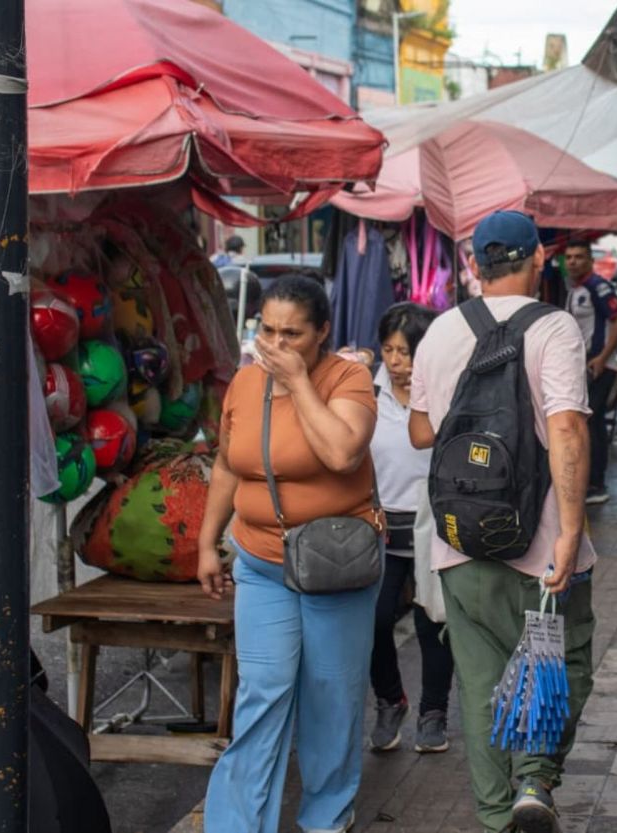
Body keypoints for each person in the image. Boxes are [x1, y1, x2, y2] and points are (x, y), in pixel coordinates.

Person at [408, 211, 596, 833]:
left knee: (482, 682)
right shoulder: (554, 327)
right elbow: (566, 425)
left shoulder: (437, 332)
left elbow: (421, 432)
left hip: (458, 540)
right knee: (556, 662)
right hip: (540, 543)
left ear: (473, 267)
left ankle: (494, 817)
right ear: (537, 258)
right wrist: (570, 531)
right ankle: (534, 782)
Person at [197, 276, 381, 833]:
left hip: (334, 565)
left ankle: (326, 816)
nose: (274, 344)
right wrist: (208, 543)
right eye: (266, 330)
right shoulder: (244, 382)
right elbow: (230, 464)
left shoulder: (348, 378)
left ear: (322, 332)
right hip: (259, 561)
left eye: (292, 334)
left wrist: (299, 383)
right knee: (262, 691)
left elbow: (344, 453)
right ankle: (236, 823)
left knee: (331, 696)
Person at [368, 302, 455, 755]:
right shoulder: (366, 391)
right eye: (389, 349)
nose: (396, 361)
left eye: (406, 351)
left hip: (433, 526)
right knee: (374, 619)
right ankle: (389, 700)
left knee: (432, 621)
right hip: (379, 527)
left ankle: (433, 711)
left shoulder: (445, 392)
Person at [564, 239, 617, 505]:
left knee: (593, 423)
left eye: (578, 256)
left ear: (590, 260)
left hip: (599, 365)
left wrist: (602, 357)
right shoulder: (576, 289)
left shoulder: (597, 287)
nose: (572, 262)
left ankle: (596, 483)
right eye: (568, 257)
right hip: (583, 364)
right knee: (589, 423)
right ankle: (590, 480)